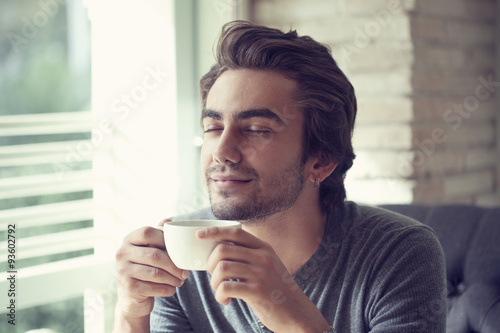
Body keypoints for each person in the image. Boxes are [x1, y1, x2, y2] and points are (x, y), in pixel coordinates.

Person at [113, 21, 446, 333]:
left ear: (322, 160)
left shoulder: (399, 253)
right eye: (213, 127)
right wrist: (130, 315)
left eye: (256, 129)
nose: (222, 151)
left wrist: (294, 319)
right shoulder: (183, 255)